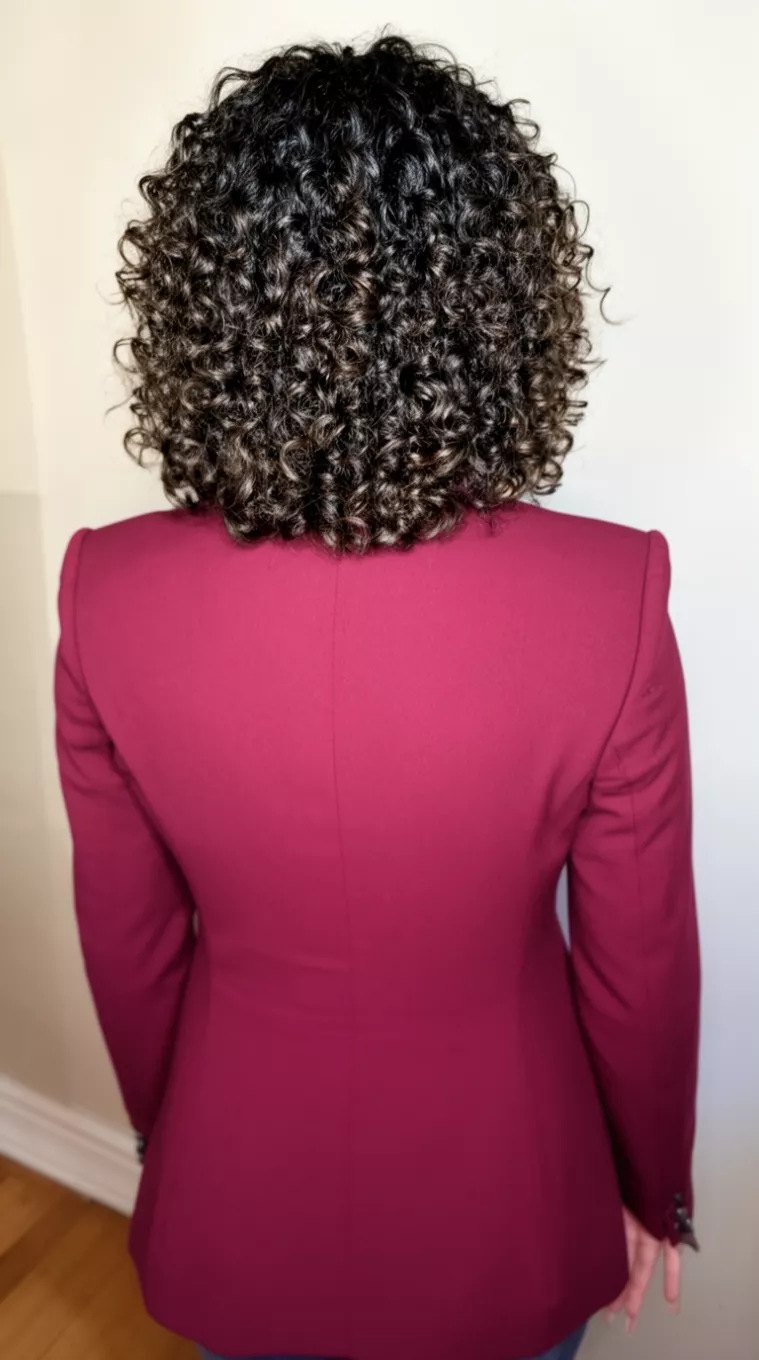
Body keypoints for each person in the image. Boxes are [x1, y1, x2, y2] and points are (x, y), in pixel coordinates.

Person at [53, 33, 700, 1360]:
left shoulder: (106, 592)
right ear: (496, 303)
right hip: (510, 1207)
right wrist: (650, 1186)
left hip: (236, 1200)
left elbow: (127, 943)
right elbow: (638, 969)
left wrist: (173, 1144)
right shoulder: (609, 598)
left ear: (209, 305)